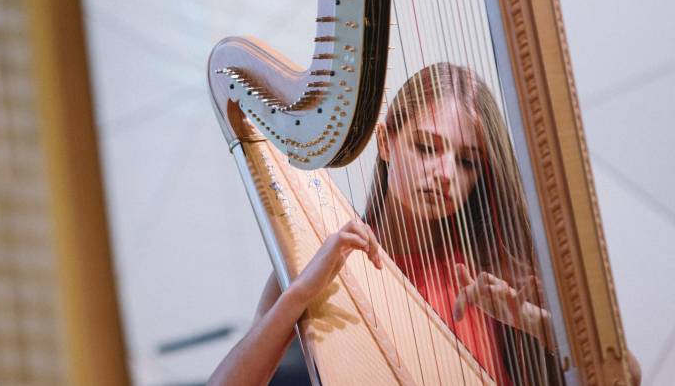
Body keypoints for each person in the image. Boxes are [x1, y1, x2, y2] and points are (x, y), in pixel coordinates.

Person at [209, 63, 567, 385]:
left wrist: (543, 329)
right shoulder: (317, 261)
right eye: (426, 148)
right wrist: (299, 295)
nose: (446, 173)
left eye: (467, 162)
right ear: (385, 142)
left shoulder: (496, 271)